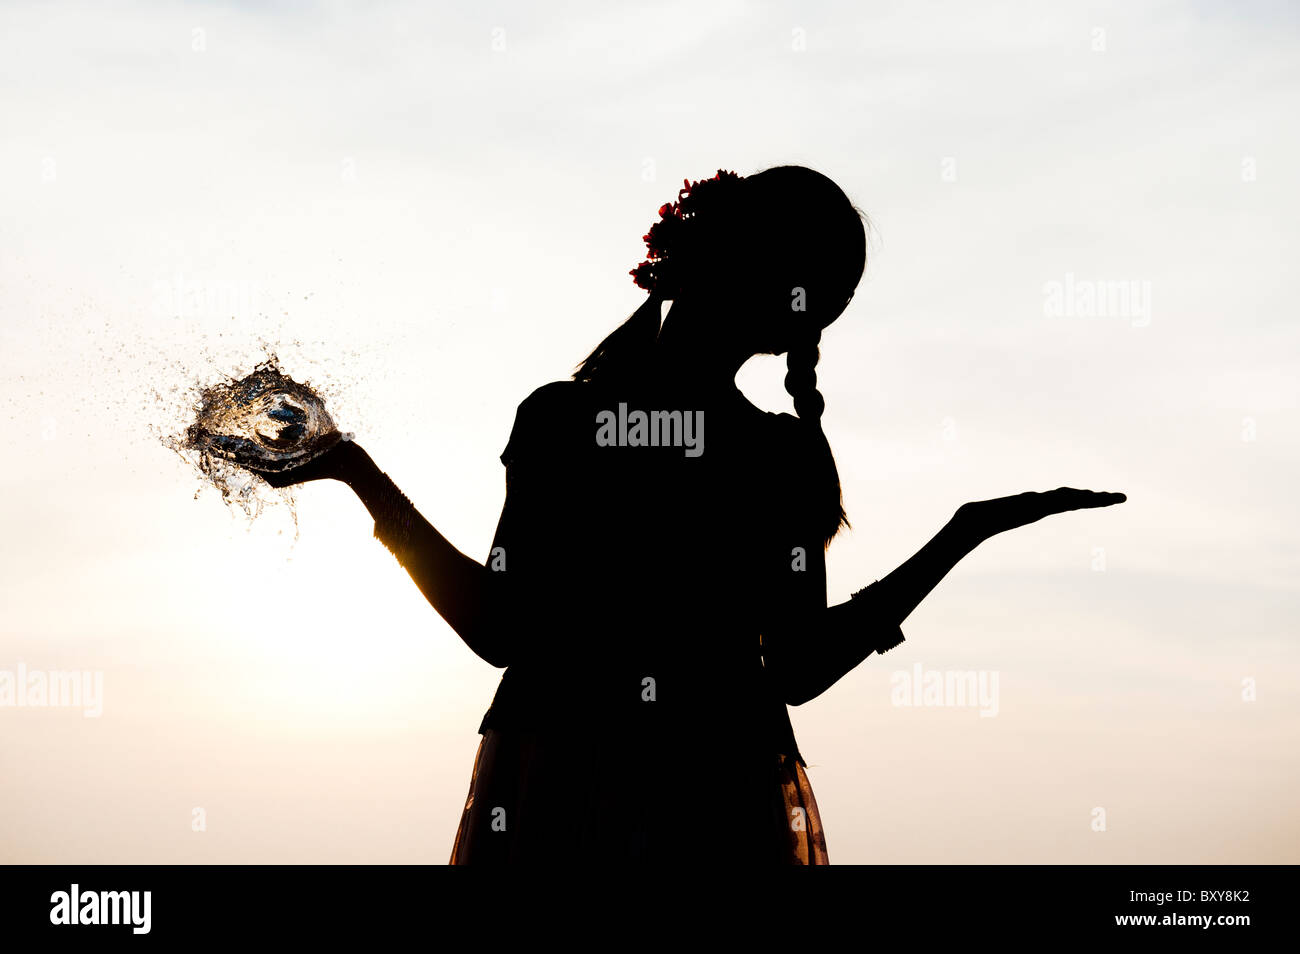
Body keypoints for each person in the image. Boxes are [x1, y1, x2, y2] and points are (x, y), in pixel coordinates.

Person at [257, 166, 1125, 864]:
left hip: (571, 783)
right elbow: (798, 668)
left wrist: (362, 479)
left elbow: (501, 629)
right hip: (714, 794)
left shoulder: (571, 421)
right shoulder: (768, 455)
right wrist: (960, 536)